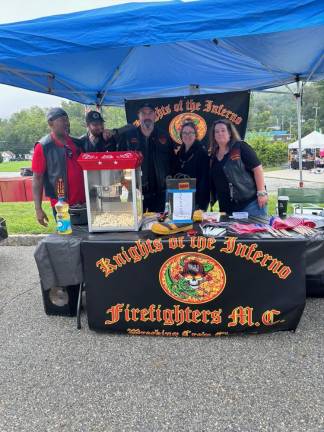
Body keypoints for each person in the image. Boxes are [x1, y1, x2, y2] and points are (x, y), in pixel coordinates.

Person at [32, 108, 86, 226]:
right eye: (63, 120)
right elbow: (37, 178)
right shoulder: (44, 147)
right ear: (51, 123)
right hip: (61, 207)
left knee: (87, 240)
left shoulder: (77, 143)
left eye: (67, 120)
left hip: (83, 204)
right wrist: (38, 209)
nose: (67, 123)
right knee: (66, 239)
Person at [118, 102, 174, 212]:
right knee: (137, 226)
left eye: (150, 113)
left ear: (155, 116)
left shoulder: (164, 136)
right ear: (139, 116)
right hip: (135, 191)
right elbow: (120, 162)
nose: (147, 116)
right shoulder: (128, 136)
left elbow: (172, 161)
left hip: (160, 192)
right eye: (143, 113)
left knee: (160, 225)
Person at [209, 119, 268, 216]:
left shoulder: (241, 147)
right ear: (214, 135)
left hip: (250, 205)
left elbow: (258, 169)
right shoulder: (213, 156)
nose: (220, 133)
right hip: (227, 208)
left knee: (255, 231)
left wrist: (261, 192)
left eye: (223, 130)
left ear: (230, 133)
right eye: (217, 131)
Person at [173, 121, 210, 211]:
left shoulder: (202, 153)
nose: (187, 135)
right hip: (181, 197)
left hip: (196, 199)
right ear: (181, 135)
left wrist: (201, 204)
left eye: (190, 133)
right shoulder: (180, 153)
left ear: (195, 135)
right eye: (184, 133)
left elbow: (205, 180)